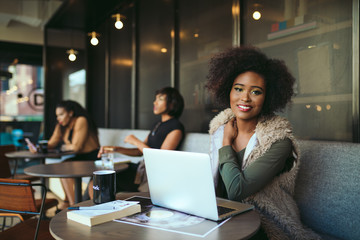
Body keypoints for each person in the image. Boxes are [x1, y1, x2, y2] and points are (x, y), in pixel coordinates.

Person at [206, 46, 320, 239]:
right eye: (238, 89)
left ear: (268, 97)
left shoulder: (278, 141)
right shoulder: (219, 129)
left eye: (256, 92)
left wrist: (226, 142)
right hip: (223, 217)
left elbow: (236, 191)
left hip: (263, 224)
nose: (245, 97)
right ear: (228, 90)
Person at [88, 87, 185, 197]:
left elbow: (160, 158)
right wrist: (115, 149)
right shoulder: (157, 124)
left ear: (172, 104)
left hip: (152, 175)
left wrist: (135, 141)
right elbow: (140, 151)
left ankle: (93, 209)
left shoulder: (176, 128)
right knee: (99, 177)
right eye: (155, 99)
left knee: (101, 180)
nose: (155, 102)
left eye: (160, 99)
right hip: (141, 168)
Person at [28, 100, 100, 207]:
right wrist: (37, 147)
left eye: (61, 114)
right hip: (79, 157)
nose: (58, 118)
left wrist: (64, 146)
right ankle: (69, 202)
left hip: (93, 157)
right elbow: (52, 143)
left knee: (65, 166)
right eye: (57, 116)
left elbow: (76, 147)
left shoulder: (81, 120)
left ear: (70, 113)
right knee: (64, 166)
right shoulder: (61, 125)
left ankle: (73, 204)